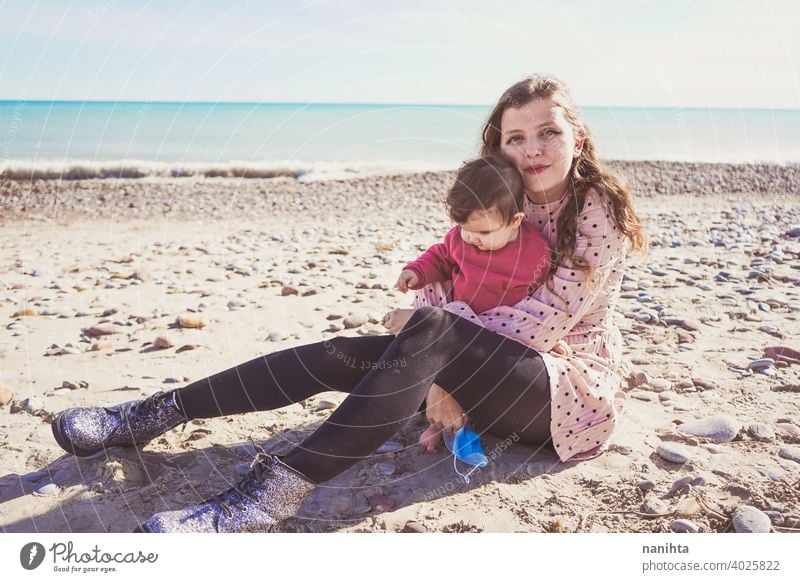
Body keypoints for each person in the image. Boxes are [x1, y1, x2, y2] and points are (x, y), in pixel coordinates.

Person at [51, 74, 646, 533]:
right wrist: (434, 358)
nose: (533, 149)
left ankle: (269, 497)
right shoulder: (499, 195)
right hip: (479, 370)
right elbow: (448, 276)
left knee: (431, 332)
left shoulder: (597, 210)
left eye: (549, 132)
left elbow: (537, 327)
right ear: (500, 146)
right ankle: (155, 413)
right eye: (517, 137)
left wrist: (433, 350)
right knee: (344, 354)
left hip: (559, 392)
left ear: (579, 137)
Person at [393, 153, 552, 451]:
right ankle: (439, 423)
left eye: (483, 232)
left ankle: (461, 420)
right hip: (457, 324)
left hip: (500, 335)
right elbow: (441, 256)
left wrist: (552, 337)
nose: (471, 238)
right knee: (441, 367)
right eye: (465, 228)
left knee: (478, 381)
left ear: (516, 221)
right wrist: (416, 270)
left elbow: (542, 300)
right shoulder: (460, 239)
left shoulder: (534, 255)